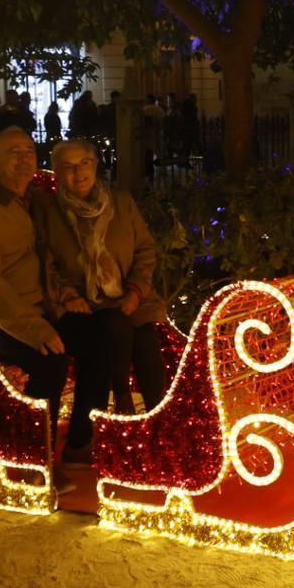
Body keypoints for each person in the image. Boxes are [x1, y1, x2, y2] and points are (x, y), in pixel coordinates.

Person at [0, 128, 117, 467]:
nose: (24, 158)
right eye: (13, 152)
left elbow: (53, 256)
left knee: (104, 335)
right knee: (48, 360)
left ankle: (80, 444)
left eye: (28, 150)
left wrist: (67, 295)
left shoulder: (35, 200)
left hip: (47, 309)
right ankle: (36, 460)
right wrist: (33, 328)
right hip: (3, 322)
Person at [35, 140, 170, 415]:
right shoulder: (49, 212)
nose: (78, 172)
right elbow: (44, 263)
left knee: (145, 336)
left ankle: (159, 414)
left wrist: (135, 292)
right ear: (57, 173)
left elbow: (145, 250)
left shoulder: (121, 202)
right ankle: (122, 400)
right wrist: (67, 295)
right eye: (68, 167)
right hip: (86, 304)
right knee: (115, 325)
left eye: (84, 163)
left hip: (130, 296)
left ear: (95, 165)